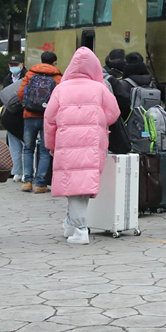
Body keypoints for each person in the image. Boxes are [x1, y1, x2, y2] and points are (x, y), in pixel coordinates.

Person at [43, 47, 122, 245]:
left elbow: (49, 120)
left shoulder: (61, 88)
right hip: (93, 142)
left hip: (66, 143)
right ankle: (72, 224)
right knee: (84, 183)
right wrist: (97, 120)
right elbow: (114, 113)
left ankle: (79, 229)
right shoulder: (99, 88)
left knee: (73, 184)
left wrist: (51, 145)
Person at [19, 51, 62, 193]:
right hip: (47, 118)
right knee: (45, 150)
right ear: (54, 62)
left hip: (29, 116)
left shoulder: (30, 74)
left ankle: (27, 182)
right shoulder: (57, 77)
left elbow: (21, 93)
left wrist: (27, 106)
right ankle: (40, 184)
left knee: (28, 149)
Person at [0, 56, 26, 180]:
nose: (13, 67)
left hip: (23, 115)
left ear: (22, 64)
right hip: (10, 115)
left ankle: (26, 172)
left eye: (16, 64)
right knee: (14, 146)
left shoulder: (27, 76)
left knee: (26, 145)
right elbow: (2, 95)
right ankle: (16, 171)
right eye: (11, 65)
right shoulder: (8, 78)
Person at [102, 48, 132, 119]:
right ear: (124, 60)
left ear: (109, 59)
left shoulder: (103, 74)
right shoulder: (126, 73)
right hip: (118, 115)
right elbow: (124, 100)